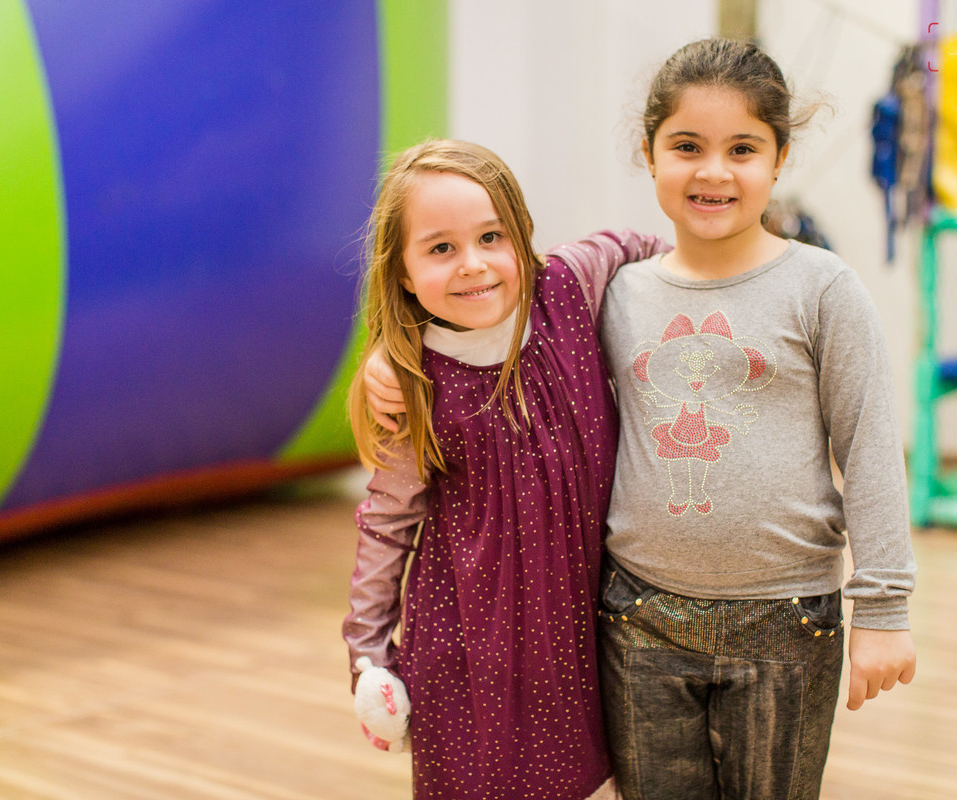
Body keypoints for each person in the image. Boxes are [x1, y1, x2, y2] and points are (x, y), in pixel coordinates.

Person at [364, 38, 918, 800]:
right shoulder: (615, 293)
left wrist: (883, 610)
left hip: (786, 624)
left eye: (743, 148)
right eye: (687, 146)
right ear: (649, 155)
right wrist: (390, 356)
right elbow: (489, 311)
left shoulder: (824, 290)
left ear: (780, 157)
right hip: (639, 625)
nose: (713, 171)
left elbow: (871, 451)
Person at [342, 138, 665, 800]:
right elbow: (386, 523)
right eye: (440, 248)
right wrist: (367, 655)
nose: (474, 266)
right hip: (467, 646)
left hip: (578, 631)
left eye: (492, 237)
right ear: (402, 273)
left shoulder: (571, 285)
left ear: (521, 234)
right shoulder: (412, 381)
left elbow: (644, 243)